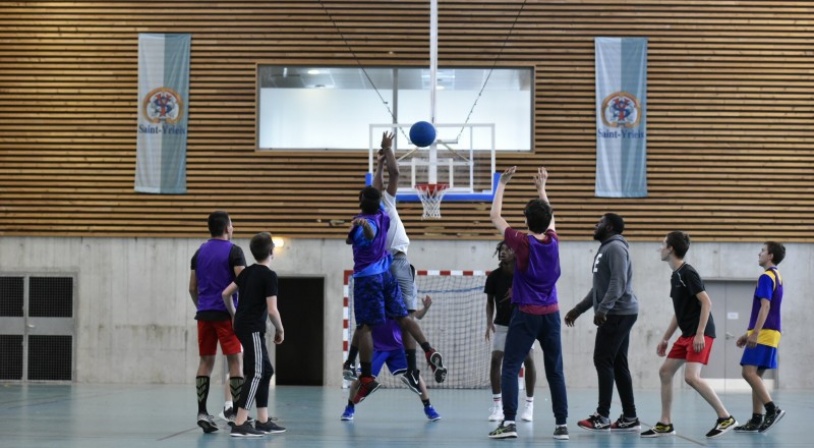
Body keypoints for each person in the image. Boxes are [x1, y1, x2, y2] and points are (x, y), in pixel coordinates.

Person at [343, 131, 447, 389]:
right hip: (390, 264)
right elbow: (392, 176)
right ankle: (417, 360)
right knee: (404, 315)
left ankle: (361, 365)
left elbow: (390, 176)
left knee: (368, 322)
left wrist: (384, 156)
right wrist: (386, 152)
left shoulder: (378, 206)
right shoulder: (380, 210)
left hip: (380, 268)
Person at [487, 167, 569, 441]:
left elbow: (495, 216)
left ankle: (509, 423)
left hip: (526, 315)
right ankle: (561, 426)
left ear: (526, 220)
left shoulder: (522, 243)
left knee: (510, 366)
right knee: (555, 369)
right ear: (547, 222)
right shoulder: (553, 241)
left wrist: (502, 183)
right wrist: (542, 187)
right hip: (552, 314)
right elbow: (551, 216)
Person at [641, 231, 737, 439]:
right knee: (665, 372)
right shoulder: (675, 275)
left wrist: (700, 334)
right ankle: (665, 423)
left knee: (691, 377)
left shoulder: (688, 273)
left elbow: (707, 302)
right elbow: (679, 312)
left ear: (671, 249)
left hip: (700, 333)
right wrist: (665, 338)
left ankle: (725, 417)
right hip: (686, 334)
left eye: (662, 244)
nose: (660, 248)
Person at [565, 212, 639, 432]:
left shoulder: (616, 248)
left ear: (609, 228)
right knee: (617, 363)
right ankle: (630, 418)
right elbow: (599, 289)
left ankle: (602, 417)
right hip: (619, 312)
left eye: (600, 222)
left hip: (618, 313)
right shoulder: (606, 248)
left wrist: (603, 309)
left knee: (602, 359)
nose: (595, 224)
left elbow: (619, 282)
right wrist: (578, 310)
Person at [221, 232, 287, 437]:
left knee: (265, 370)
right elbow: (273, 310)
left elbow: (226, 293)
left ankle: (263, 420)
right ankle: (240, 423)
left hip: (241, 325)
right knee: (257, 372)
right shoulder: (269, 275)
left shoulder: (247, 272)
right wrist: (280, 329)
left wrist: (233, 314)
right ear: (271, 252)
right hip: (252, 327)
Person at [188, 210, 246, 433]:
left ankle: (202, 411)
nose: (233, 228)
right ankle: (238, 416)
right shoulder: (234, 251)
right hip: (227, 315)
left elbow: (192, 287)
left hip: (204, 315)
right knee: (235, 363)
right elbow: (243, 281)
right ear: (226, 228)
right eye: (231, 225)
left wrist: (201, 307)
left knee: (205, 362)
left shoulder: (199, 252)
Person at [341, 296, 441, 422]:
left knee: (415, 375)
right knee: (360, 378)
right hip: (376, 348)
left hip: (397, 348)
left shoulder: (398, 304)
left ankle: (428, 407)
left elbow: (416, 316)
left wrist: (426, 308)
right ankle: (350, 407)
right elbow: (361, 329)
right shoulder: (374, 304)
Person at [733, 241, 786, 434]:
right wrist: (747, 335)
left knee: (748, 373)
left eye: (763, 251)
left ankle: (772, 409)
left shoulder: (765, 276)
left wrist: (755, 333)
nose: (759, 253)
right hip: (772, 332)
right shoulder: (778, 276)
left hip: (764, 332)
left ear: (770, 255)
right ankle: (756, 419)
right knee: (757, 376)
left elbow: (765, 307)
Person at [485, 240, 537, 423]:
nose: (503, 252)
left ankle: (529, 405)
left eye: (507, 249)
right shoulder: (494, 277)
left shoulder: (524, 275)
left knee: (528, 359)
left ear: (516, 253)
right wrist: (488, 322)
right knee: (495, 360)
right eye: (501, 249)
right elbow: (489, 302)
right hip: (502, 325)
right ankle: (498, 406)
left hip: (523, 323)